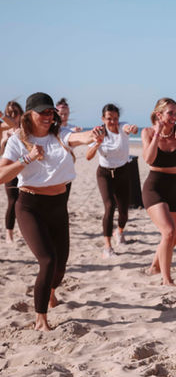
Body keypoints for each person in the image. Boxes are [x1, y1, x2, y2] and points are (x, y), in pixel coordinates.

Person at [0, 92, 102, 330]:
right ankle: (40, 319)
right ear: (29, 114)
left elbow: (81, 137)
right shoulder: (17, 140)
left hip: (58, 206)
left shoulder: (60, 134)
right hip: (30, 206)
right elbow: (2, 175)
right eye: (43, 112)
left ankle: (51, 291)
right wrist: (27, 158)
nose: (48, 116)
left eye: (51, 112)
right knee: (47, 260)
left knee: (60, 265)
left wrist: (94, 134)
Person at [141, 98, 176, 286]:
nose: (174, 116)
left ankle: (155, 266)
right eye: (170, 113)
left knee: (175, 236)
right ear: (159, 114)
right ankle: (166, 279)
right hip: (155, 187)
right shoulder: (147, 132)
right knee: (168, 232)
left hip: (175, 187)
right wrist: (157, 134)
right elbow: (148, 158)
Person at [86, 104, 138, 257]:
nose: (113, 122)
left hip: (123, 172)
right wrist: (97, 143)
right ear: (103, 119)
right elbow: (88, 156)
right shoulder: (98, 132)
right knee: (109, 207)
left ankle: (119, 232)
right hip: (105, 174)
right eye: (109, 118)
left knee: (124, 212)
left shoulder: (122, 127)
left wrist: (132, 129)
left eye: (115, 118)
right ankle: (107, 247)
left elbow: (129, 129)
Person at [1, 101, 23, 242]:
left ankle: (22, 229)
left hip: (24, 168)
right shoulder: (4, 131)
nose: (13, 116)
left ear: (21, 113)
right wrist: (4, 141)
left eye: (16, 113)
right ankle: (9, 233)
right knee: (12, 200)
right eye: (10, 113)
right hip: (10, 169)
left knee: (23, 201)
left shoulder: (25, 129)